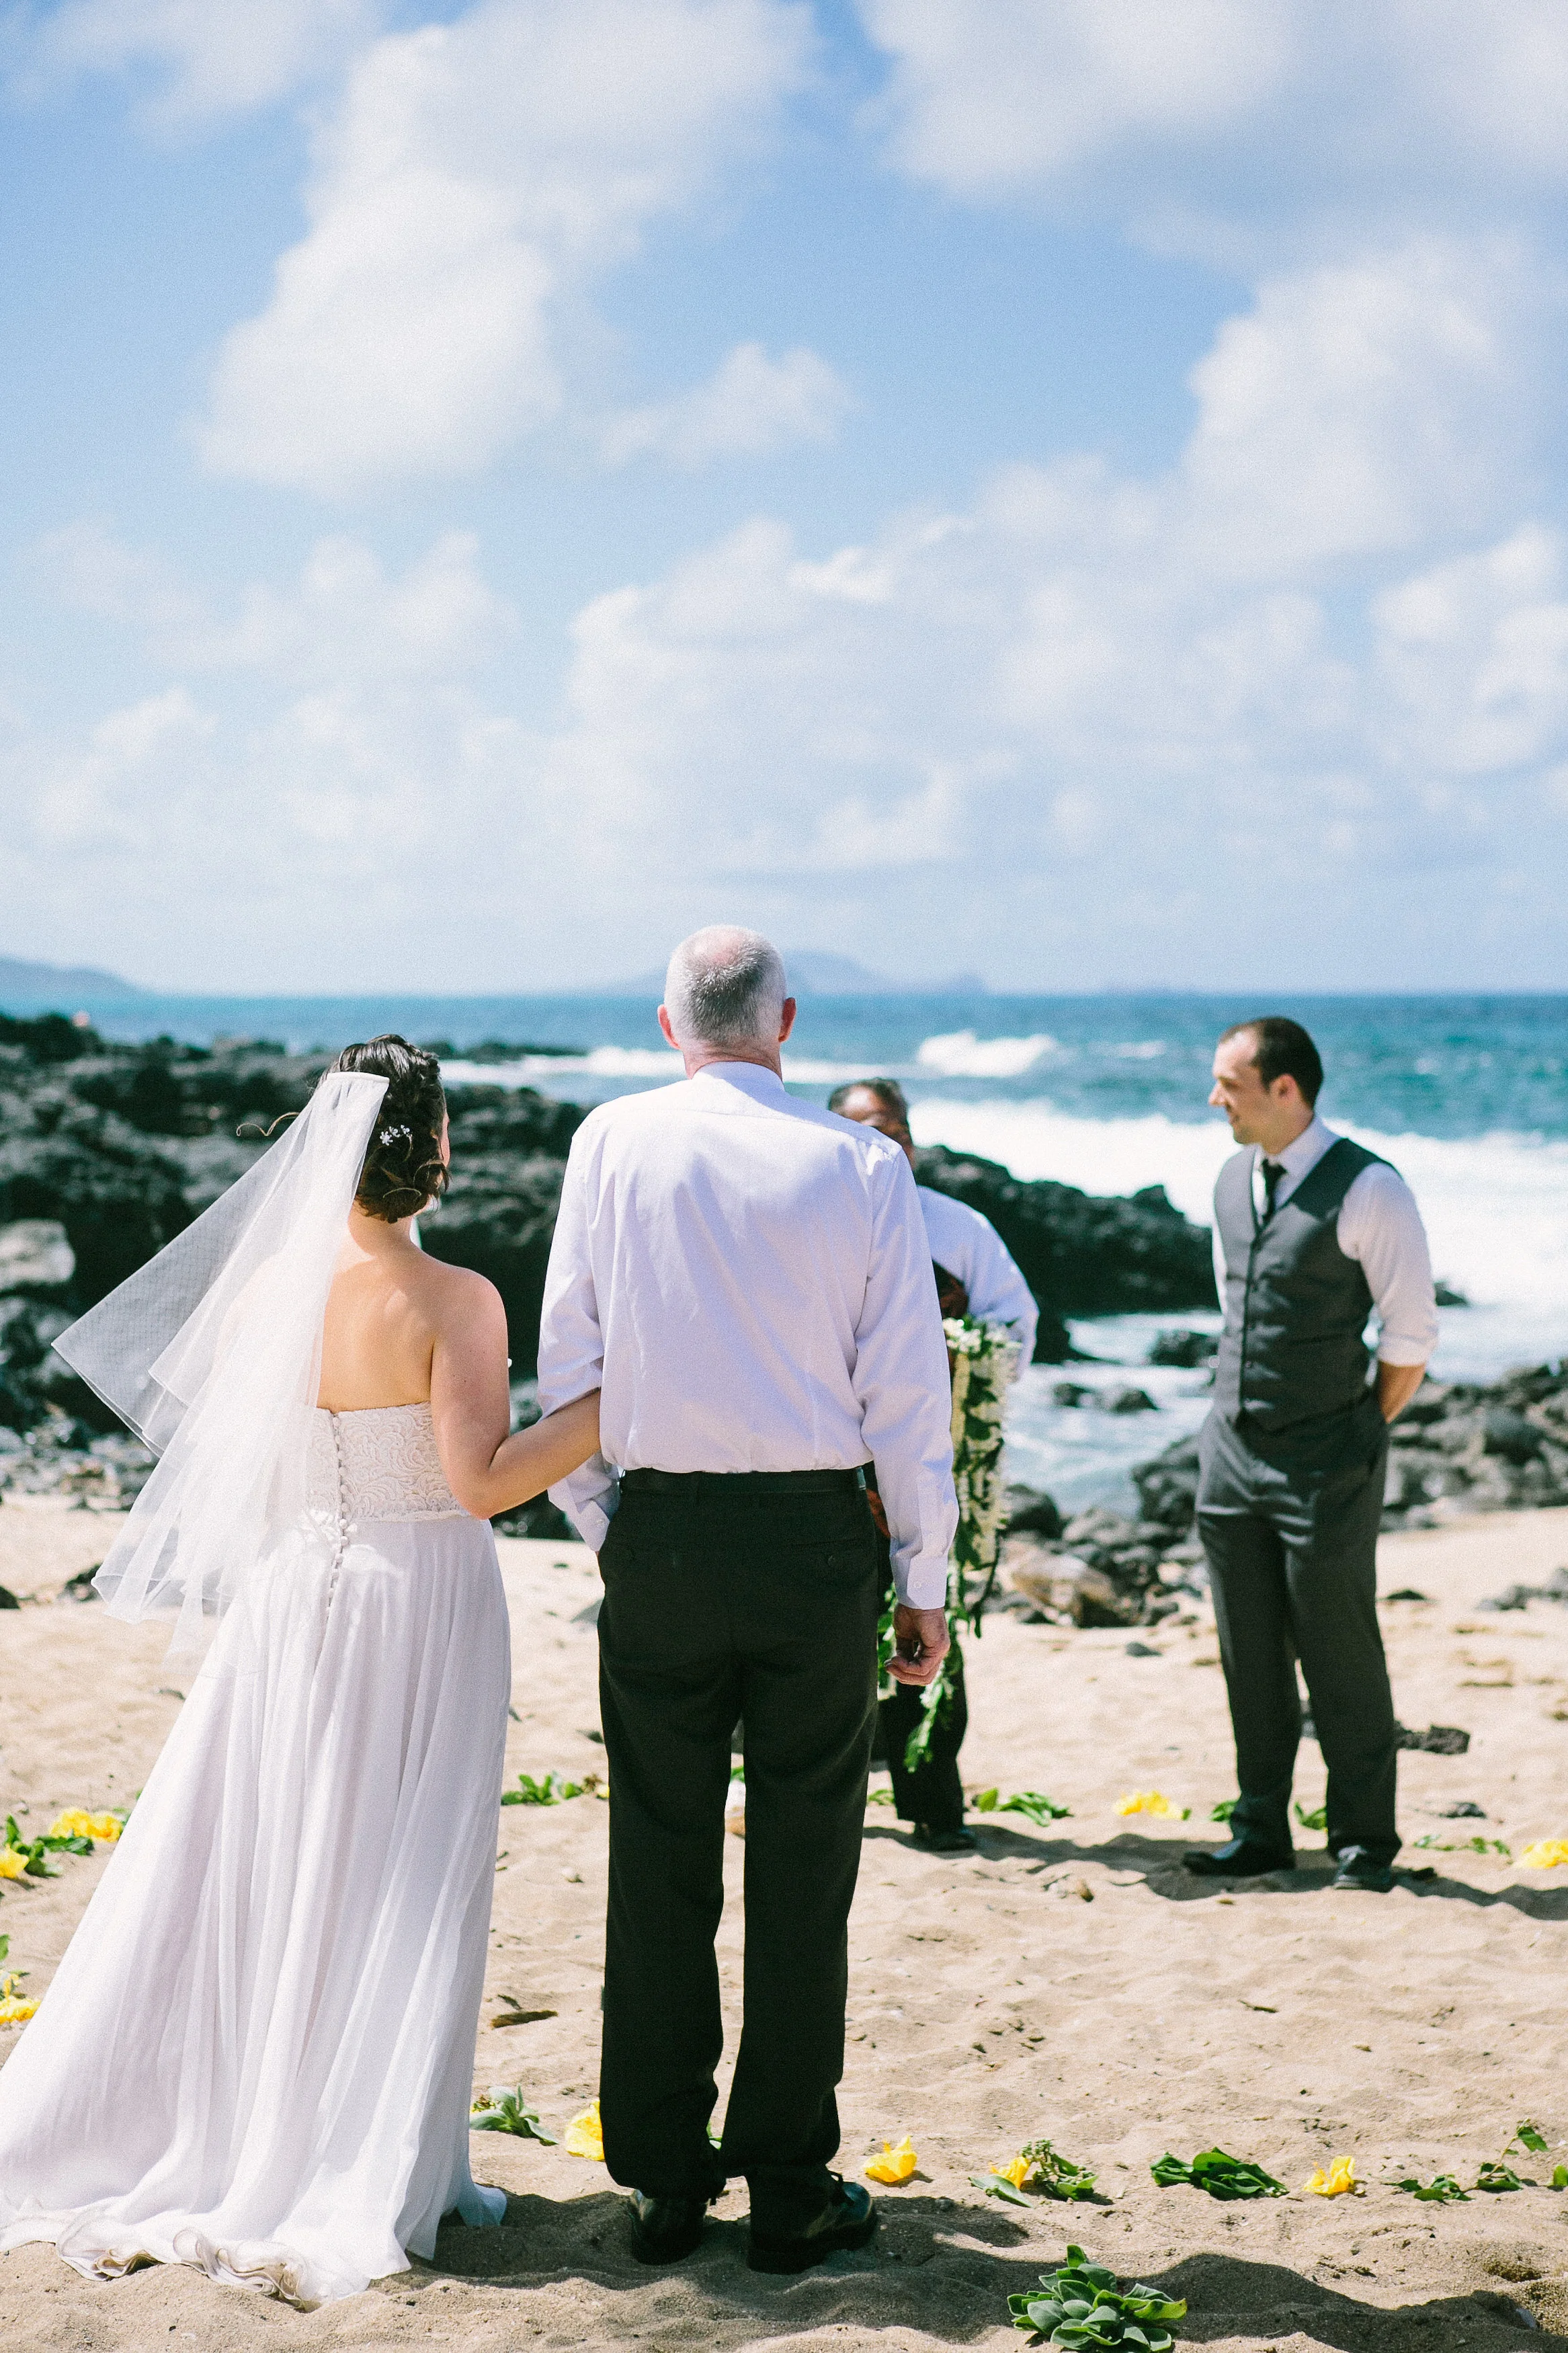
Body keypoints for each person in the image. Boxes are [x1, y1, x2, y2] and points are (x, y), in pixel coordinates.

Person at [0, 1039, 602, 2307]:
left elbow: (257, 1459)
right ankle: (345, 2153)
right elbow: (483, 1483)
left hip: (291, 1598)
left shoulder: (272, 1279)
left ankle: (244, 2125)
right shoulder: (457, 1300)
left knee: (273, 1857)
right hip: (416, 1598)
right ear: (431, 1148)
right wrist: (614, 1404)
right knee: (395, 1876)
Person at [536, 928, 958, 2275]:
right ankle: (785, 2179)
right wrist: (923, 1577)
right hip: (813, 1546)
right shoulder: (862, 1165)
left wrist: (610, 1518)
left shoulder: (609, 1139)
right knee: (802, 1871)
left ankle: (664, 2181)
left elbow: (568, 1355)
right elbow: (905, 1390)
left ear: (671, 1023)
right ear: (782, 1019)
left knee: (656, 1862)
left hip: (660, 1533)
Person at [1184, 1017, 1436, 1896]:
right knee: (1245, 1651)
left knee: (1339, 1653)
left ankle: (1364, 1842)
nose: (1214, 1098)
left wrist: (1358, 1426)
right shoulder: (1227, 1179)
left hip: (1326, 1458)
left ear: (1284, 1089)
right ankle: (1259, 1829)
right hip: (1229, 1453)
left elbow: (1409, 1336)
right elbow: (1242, 1307)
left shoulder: (1370, 1188)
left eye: (1228, 1083)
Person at [827, 1077, 1036, 1851]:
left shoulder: (958, 1228)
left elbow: (1015, 1325)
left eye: (893, 1128)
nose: (884, 1144)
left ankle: (933, 1803)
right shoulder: (814, 1227)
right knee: (831, 1636)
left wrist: (951, 1358)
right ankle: (835, 1797)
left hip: (927, 1462)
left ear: (910, 1137)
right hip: (832, 1469)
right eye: (863, 1129)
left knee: (925, 1623)